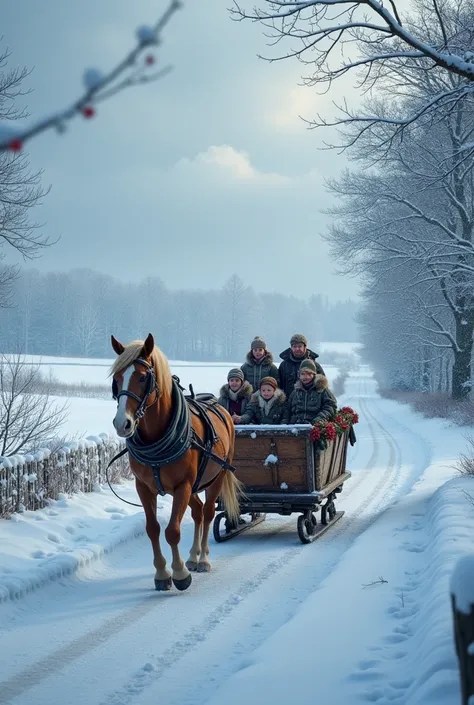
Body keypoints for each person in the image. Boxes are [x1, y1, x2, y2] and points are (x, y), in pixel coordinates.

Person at [287, 359, 337, 424]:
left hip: (315, 427)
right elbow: (287, 409)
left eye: (309, 374)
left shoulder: (322, 390)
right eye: (303, 374)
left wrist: (320, 418)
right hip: (296, 427)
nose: (306, 377)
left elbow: (330, 406)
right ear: (299, 375)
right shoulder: (295, 392)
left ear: (314, 375)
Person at [278, 334, 325, 398]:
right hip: (288, 402)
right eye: (294, 346)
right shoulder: (284, 365)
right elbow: (278, 385)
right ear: (291, 348)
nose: (297, 349)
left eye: (300, 346)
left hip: (309, 403)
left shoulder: (314, 365)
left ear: (305, 347)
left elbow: (322, 385)